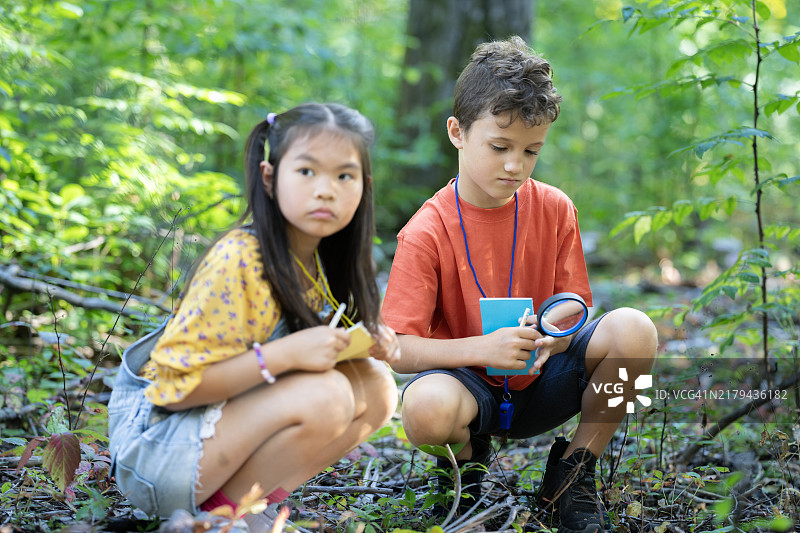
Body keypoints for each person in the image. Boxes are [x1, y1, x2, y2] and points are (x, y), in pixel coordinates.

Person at [382, 36, 657, 533]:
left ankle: (572, 477)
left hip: (544, 377)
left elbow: (573, 306)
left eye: (532, 151)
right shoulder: (426, 231)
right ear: (457, 132)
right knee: (425, 409)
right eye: (500, 147)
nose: (516, 165)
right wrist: (483, 348)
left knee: (635, 329)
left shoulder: (554, 207)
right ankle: (466, 470)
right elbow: (398, 348)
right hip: (469, 388)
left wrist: (554, 337)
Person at [109, 103, 401, 533]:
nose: (326, 190)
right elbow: (173, 391)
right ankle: (222, 521)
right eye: (307, 171)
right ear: (269, 177)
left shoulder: (318, 258)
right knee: (328, 395)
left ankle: (252, 511)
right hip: (160, 449)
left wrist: (361, 344)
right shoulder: (240, 258)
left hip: (215, 439)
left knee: (375, 384)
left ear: (364, 187)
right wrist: (284, 355)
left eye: (344, 176)